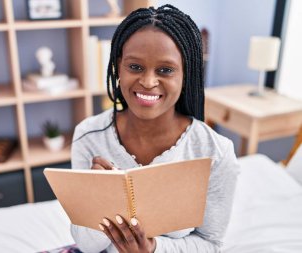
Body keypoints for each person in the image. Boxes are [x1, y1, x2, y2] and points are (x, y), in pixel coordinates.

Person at [70, 4, 239, 253]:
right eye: (135, 67)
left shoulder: (215, 152)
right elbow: (86, 246)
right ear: (119, 67)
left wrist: (153, 249)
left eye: (165, 70)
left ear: (186, 74)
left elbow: (211, 244)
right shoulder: (88, 137)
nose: (148, 82)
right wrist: (99, 196)